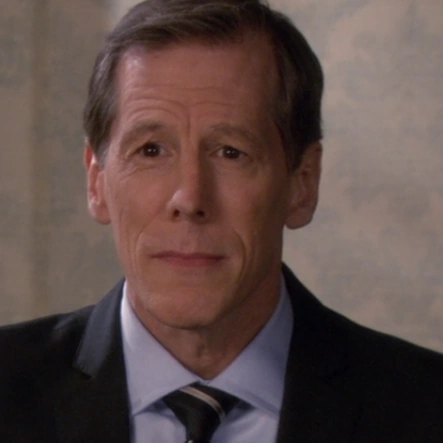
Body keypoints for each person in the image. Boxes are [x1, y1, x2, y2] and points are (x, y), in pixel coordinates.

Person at [1, 0, 442, 441]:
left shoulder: (426, 406)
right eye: (151, 150)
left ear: (303, 184)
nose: (189, 199)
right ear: (96, 181)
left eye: (231, 152)